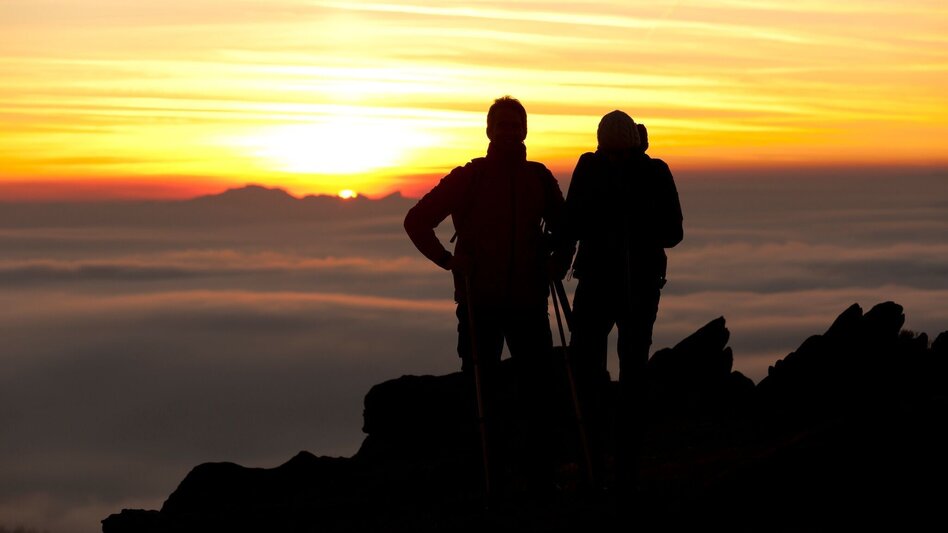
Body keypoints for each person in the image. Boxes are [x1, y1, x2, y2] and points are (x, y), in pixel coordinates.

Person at [403, 96, 572, 496]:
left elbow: (565, 229)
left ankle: (535, 478)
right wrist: (447, 260)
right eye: (503, 124)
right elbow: (416, 221)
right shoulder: (470, 177)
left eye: (515, 124)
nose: (509, 130)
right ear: (489, 131)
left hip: (529, 301)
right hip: (481, 303)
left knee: (536, 394)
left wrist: (558, 262)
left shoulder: (539, 177)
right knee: (483, 393)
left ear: (525, 130)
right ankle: (488, 477)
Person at [558, 110, 683, 492]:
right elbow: (572, 222)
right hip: (611, 283)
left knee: (629, 371)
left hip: (631, 285)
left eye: (619, 153)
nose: (613, 159)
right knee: (591, 368)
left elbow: (673, 231)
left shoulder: (653, 171)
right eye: (608, 152)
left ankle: (623, 461)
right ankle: (595, 456)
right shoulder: (596, 167)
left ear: (632, 144)